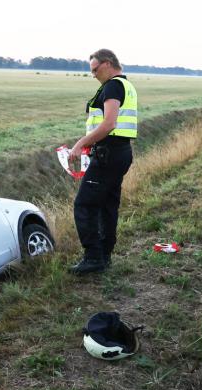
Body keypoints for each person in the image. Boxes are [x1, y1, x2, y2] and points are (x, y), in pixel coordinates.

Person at [68, 49, 136, 275]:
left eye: (95, 70)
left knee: (84, 205)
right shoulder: (125, 85)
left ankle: (93, 257)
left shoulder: (113, 86)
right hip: (118, 152)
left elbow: (109, 124)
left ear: (107, 64)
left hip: (109, 154)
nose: (93, 74)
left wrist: (80, 144)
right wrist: (92, 144)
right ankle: (104, 255)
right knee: (107, 206)